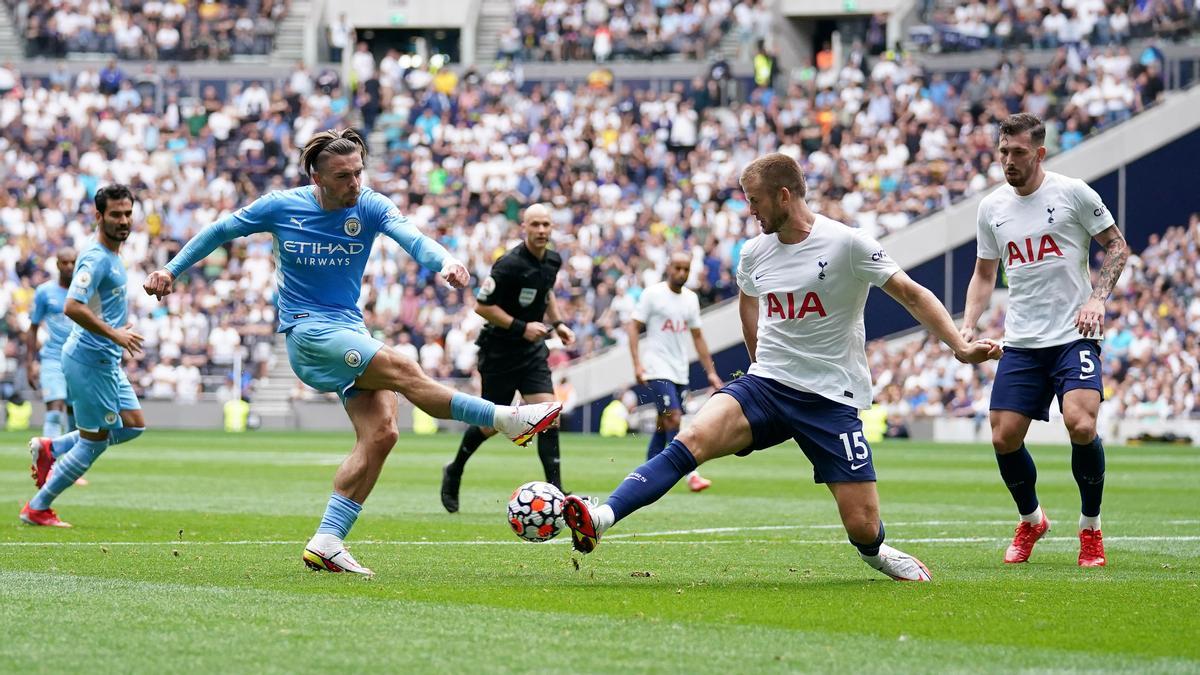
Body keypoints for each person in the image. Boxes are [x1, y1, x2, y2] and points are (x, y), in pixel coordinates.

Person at [561, 153, 1001, 581]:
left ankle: (877, 553)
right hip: (767, 385)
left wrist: (959, 347)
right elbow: (748, 302)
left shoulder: (848, 243)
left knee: (863, 527)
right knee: (690, 437)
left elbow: (911, 294)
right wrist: (757, 362)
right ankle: (600, 517)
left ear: (784, 195)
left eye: (754, 200)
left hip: (830, 397)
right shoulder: (754, 252)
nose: (749, 209)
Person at [142, 129, 561, 577]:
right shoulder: (283, 206)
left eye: (359, 172)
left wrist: (446, 263)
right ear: (316, 176)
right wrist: (171, 269)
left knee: (382, 433)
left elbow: (412, 236)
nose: (355, 183)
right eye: (343, 176)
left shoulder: (370, 205)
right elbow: (222, 230)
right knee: (403, 366)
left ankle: (327, 540)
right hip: (307, 333)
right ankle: (505, 419)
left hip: (348, 328)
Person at [960, 113, 1129, 568]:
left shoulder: (1073, 192)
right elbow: (983, 273)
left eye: (1017, 152)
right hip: (1022, 340)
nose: (1007, 160)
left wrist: (1097, 297)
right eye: (1002, 151)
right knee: (1003, 437)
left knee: (1081, 424)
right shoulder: (991, 207)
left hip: (1073, 335)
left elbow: (1117, 245)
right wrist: (969, 324)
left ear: (1039, 153)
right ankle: (1032, 519)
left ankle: (1090, 528)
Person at [22, 186, 149, 528]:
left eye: (127, 213)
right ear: (98, 216)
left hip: (105, 359)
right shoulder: (95, 257)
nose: (123, 221)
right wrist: (115, 333)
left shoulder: (113, 255)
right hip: (90, 360)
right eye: (115, 215)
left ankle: (53, 447)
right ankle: (37, 507)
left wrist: (116, 331)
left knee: (134, 425)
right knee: (94, 441)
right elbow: (72, 306)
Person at [440, 204, 576, 513]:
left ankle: (556, 491)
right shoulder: (509, 264)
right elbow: (482, 307)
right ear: (524, 228)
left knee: (549, 416)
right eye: (535, 225)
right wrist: (522, 326)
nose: (541, 230)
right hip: (500, 352)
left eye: (546, 225)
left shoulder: (553, 260)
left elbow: (547, 292)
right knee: (490, 424)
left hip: (530, 353)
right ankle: (455, 468)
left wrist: (559, 325)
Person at [629, 251, 723, 492]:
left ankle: (645, 476)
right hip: (657, 367)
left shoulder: (691, 299)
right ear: (668, 267)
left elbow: (698, 336)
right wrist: (637, 364)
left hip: (680, 370)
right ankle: (690, 473)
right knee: (673, 417)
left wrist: (710, 372)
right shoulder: (653, 294)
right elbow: (633, 326)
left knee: (663, 424)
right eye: (677, 268)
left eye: (686, 269)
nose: (681, 273)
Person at [26, 247, 77, 440]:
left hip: (78, 360)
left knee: (75, 415)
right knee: (55, 410)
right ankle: (49, 463)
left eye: (73, 262)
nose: (69, 266)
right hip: (52, 358)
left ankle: (70, 467)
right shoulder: (45, 292)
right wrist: (30, 362)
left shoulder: (86, 292)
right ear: (57, 265)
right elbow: (33, 328)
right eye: (65, 262)